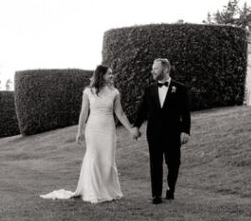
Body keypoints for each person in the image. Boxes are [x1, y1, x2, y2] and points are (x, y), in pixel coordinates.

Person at [41, 64, 135, 203]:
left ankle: (108, 191)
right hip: (93, 129)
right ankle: (93, 192)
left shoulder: (115, 93)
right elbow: (84, 112)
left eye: (112, 73)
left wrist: (130, 129)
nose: (112, 76)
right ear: (101, 75)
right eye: (109, 73)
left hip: (108, 130)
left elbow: (120, 113)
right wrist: (80, 131)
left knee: (108, 161)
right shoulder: (88, 92)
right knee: (94, 158)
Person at [132, 58, 191, 204]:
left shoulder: (180, 88)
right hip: (154, 132)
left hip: (173, 133)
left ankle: (170, 189)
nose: (152, 71)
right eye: (153, 68)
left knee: (173, 163)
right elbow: (142, 110)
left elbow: (185, 112)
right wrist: (136, 126)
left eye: (155, 68)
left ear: (165, 69)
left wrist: (185, 131)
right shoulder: (149, 90)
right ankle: (156, 195)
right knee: (155, 163)